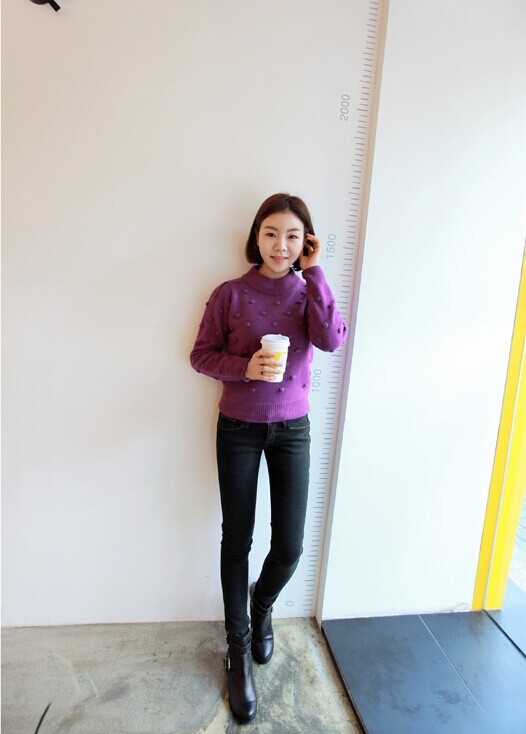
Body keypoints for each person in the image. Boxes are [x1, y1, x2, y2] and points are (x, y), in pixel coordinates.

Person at [190, 193, 348, 723]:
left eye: (293, 236)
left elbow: (331, 340)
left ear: (306, 243)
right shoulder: (230, 294)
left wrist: (316, 273)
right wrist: (245, 368)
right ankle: (237, 648)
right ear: (256, 237)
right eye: (272, 233)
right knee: (237, 538)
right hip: (238, 428)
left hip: (293, 430)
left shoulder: (308, 292)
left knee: (290, 545)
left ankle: (261, 606)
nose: (282, 245)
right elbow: (200, 355)